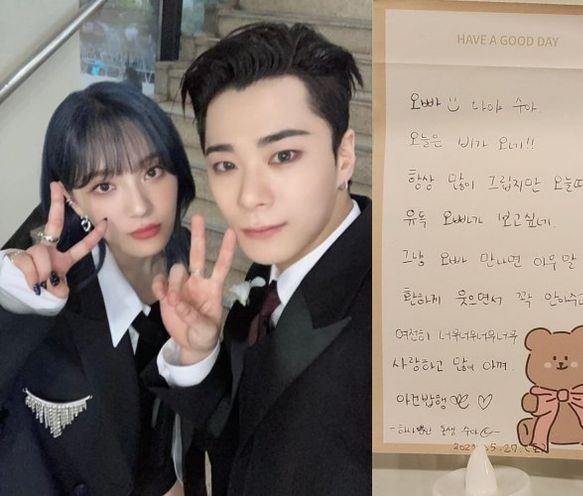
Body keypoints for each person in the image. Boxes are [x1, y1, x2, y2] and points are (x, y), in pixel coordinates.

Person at [145, 23, 372, 495]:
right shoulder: (270, 281)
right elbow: (251, 436)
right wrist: (200, 355)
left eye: (283, 155)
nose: (249, 196)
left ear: (344, 156)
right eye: (226, 165)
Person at [0, 81, 203, 495]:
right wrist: (12, 302)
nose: (141, 205)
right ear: (72, 200)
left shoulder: (179, 248)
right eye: (105, 186)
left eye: (152, 171)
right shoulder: (41, 300)